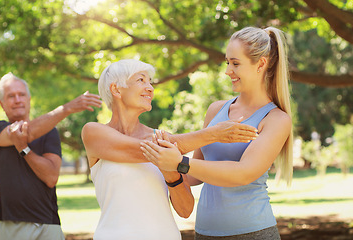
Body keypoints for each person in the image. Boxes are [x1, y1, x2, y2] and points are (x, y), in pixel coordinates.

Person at [140, 26, 293, 240]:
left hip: (253, 233)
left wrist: (179, 162)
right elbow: (194, 175)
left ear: (261, 64)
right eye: (227, 62)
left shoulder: (276, 119)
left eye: (235, 63)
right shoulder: (216, 110)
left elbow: (243, 173)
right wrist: (163, 161)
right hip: (204, 232)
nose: (228, 70)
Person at [81, 59, 260, 240]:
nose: (150, 88)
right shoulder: (94, 133)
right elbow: (146, 150)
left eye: (150, 81)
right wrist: (213, 134)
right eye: (141, 80)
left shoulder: (163, 138)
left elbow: (185, 209)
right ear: (116, 89)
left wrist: (171, 174)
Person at [0, 72, 102, 240]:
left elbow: (51, 177)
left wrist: (24, 149)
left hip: (47, 226)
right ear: (2, 104)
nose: (17, 99)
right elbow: (25, 132)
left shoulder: (50, 132)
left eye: (21, 94)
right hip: (8, 225)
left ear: (29, 99)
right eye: (11, 96)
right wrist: (67, 108)